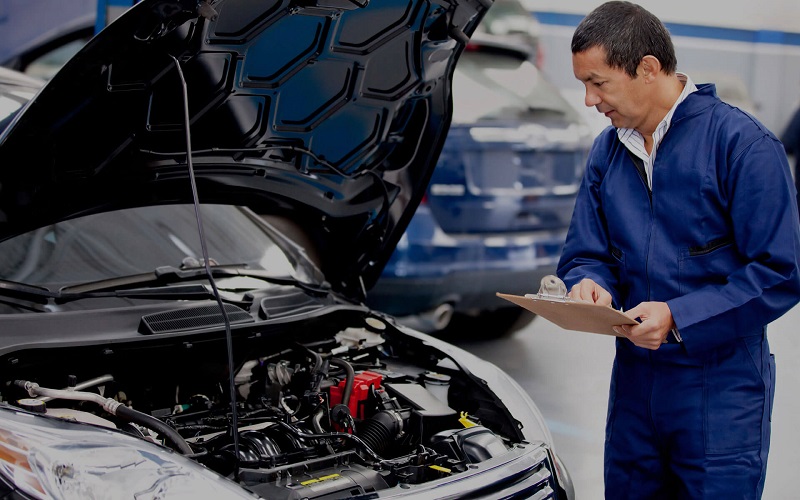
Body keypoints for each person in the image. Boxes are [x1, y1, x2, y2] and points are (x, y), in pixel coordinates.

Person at [556, 2, 800, 498]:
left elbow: (780, 272)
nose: (588, 100)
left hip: (720, 391)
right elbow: (587, 251)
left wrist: (680, 317)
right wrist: (589, 284)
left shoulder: (742, 145)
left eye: (598, 83)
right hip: (634, 388)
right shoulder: (608, 151)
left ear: (647, 68)